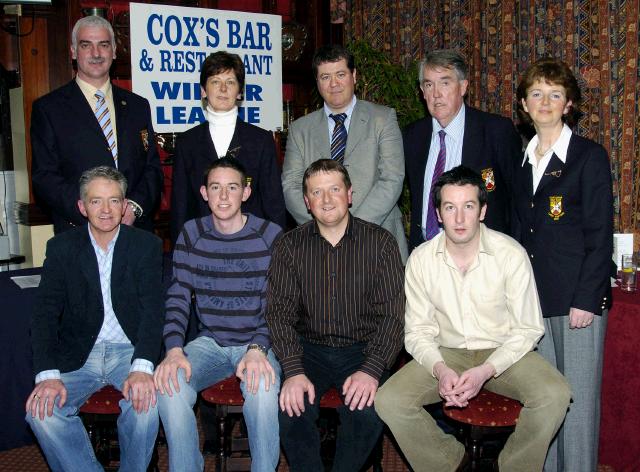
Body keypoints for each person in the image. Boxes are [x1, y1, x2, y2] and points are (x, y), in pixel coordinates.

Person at [375, 166, 571, 472]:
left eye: (468, 206)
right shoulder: (421, 260)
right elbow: (417, 332)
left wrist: (485, 371)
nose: (459, 218)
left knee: (555, 394)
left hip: (504, 353)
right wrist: (440, 369)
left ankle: (511, 467)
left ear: (482, 211)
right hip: (448, 352)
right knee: (389, 400)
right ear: (438, 214)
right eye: (450, 207)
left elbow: (528, 329)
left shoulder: (511, 254)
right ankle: (451, 464)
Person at [266, 159, 405, 471]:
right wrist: (292, 369)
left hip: (363, 348)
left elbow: (394, 316)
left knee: (366, 411)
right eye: (317, 192)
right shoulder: (289, 246)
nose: (326, 200)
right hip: (308, 349)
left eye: (334, 190)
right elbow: (279, 313)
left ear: (350, 194)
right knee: (291, 408)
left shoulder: (381, 243)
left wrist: (371, 369)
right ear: (306, 201)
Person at [25, 166, 163, 472]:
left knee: (146, 405)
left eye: (114, 201)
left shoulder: (145, 246)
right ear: (82, 206)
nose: (105, 210)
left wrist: (142, 367)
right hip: (79, 354)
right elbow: (45, 313)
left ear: (125, 206)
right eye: (96, 201)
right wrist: (47, 375)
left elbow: (155, 310)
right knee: (40, 412)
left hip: (128, 351)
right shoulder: (61, 248)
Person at [513, 58, 613, 472]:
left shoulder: (588, 157)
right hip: (534, 301)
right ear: (524, 104)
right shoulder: (521, 162)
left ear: (569, 103)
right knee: (546, 405)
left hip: (577, 302)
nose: (546, 101)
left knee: (578, 404)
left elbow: (600, 234)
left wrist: (587, 299)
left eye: (555, 94)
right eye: (537, 93)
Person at [155, 157, 283, 471]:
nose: (223, 196)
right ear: (203, 192)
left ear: (246, 192)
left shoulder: (270, 235)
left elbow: (280, 303)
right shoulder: (191, 233)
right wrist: (173, 350)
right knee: (169, 385)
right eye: (216, 187)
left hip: (258, 343)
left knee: (262, 390)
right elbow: (178, 296)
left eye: (232, 187)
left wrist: (257, 349)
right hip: (210, 343)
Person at [30, 15, 162, 235]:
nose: (96, 53)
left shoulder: (138, 106)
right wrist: (94, 212)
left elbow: (152, 169)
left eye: (103, 44)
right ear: (73, 51)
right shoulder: (49, 109)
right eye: (86, 45)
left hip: (135, 233)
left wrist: (134, 208)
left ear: (114, 51)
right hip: (78, 233)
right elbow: (45, 177)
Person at [281, 44, 408, 261]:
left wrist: (352, 228)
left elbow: (392, 178)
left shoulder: (383, 118)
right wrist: (325, 227)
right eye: (325, 77)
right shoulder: (299, 129)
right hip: (319, 245)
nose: (334, 84)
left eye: (340, 74)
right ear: (317, 81)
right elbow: (291, 186)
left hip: (377, 239)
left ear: (354, 75)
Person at [403, 49, 522, 251]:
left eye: (445, 83)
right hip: (425, 254)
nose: (436, 93)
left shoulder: (495, 132)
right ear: (422, 91)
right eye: (429, 84)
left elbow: (518, 200)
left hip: (484, 255)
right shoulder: (412, 136)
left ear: (463, 87)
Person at [170, 51, 286, 244]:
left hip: (252, 246)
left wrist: (279, 252)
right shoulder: (187, 142)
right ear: (203, 90)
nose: (223, 89)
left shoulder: (261, 140)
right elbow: (180, 205)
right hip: (201, 245)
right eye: (215, 81)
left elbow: (274, 204)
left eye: (230, 82)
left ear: (240, 91)